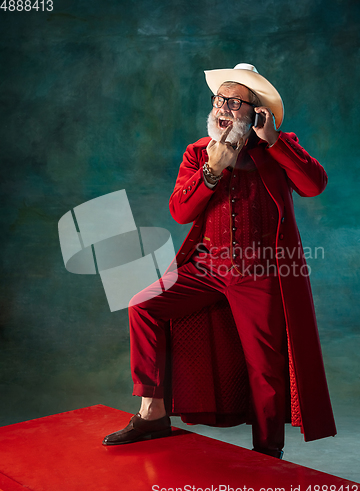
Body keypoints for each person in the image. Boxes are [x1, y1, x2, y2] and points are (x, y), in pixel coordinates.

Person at [103, 63, 336, 458]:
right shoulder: (198, 152)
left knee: (265, 365)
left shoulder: (278, 147)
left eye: (234, 102)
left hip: (258, 272)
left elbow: (314, 185)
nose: (223, 108)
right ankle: (153, 414)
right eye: (219, 100)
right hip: (206, 267)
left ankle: (268, 450)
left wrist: (275, 140)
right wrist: (213, 169)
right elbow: (180, 211)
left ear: (256, 111)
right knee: (143, 306)